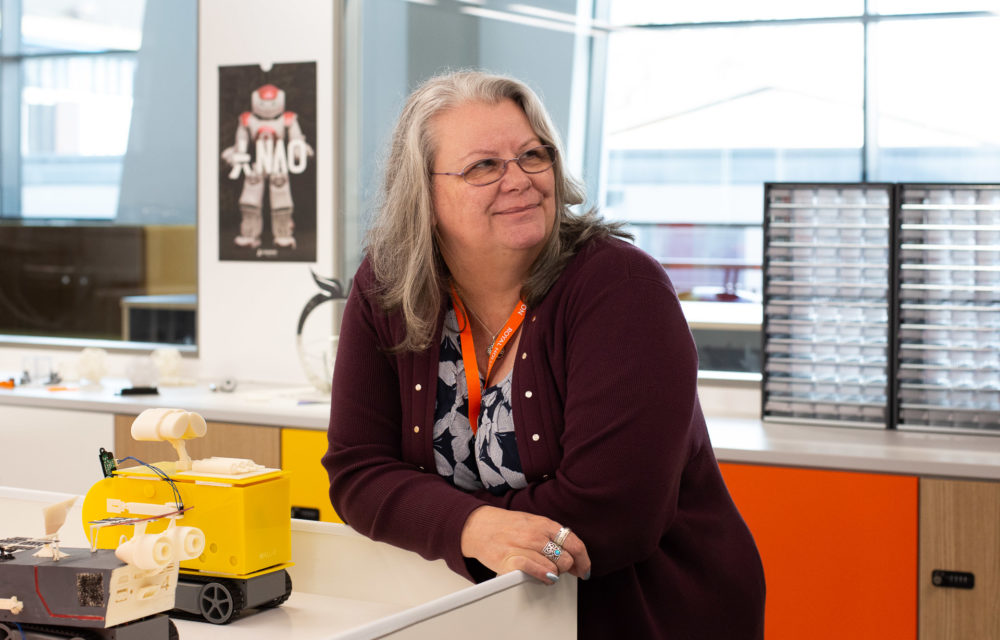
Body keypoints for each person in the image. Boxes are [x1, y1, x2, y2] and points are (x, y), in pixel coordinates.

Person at [323, 70, 765, 638]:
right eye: (484, 166)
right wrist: (474, 527)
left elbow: (614, 512)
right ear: (423, 193)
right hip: (484, 616)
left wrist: (434, 516)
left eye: (534, 155)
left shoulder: (622, 287)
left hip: (651, 615)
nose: (520, 180)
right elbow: (357, 470)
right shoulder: (388, 286)